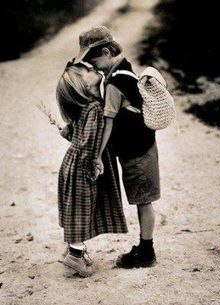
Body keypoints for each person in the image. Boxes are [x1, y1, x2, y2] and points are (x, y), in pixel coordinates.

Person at [74, 26, 160, 268]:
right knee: (143, 199)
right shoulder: (125, 68)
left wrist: (98, 156)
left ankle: (146, 251)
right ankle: (145, 246)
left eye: (93, 58)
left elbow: (108, 123)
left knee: (143, 200)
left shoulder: (114, 83)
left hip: (137, 151)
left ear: (106, 51)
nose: (92, 65)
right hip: (144, 145)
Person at [56, 62, 128, 277]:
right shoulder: (95, 107)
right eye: (87, 71)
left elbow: (71, 134)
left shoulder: (84, 106)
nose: (92, 69)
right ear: (83, 86)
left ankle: (72, 250)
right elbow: (88, 141)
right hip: (82, 164)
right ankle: (75, 258)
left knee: (75, 206)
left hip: (71, 161)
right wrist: (92, 165)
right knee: (81, 207)